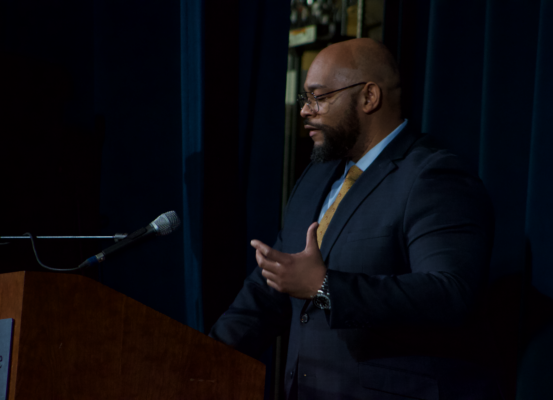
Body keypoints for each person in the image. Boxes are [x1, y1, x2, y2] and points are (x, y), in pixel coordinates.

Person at [210, 38, 499, 399]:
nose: (304, 111)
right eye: (305, 99)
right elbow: (273, 284)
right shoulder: (315, 177)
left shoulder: (433, 175)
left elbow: (449, 293)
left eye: (318, 97)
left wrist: (325, 286)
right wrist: (204, 358)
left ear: (368, 97)